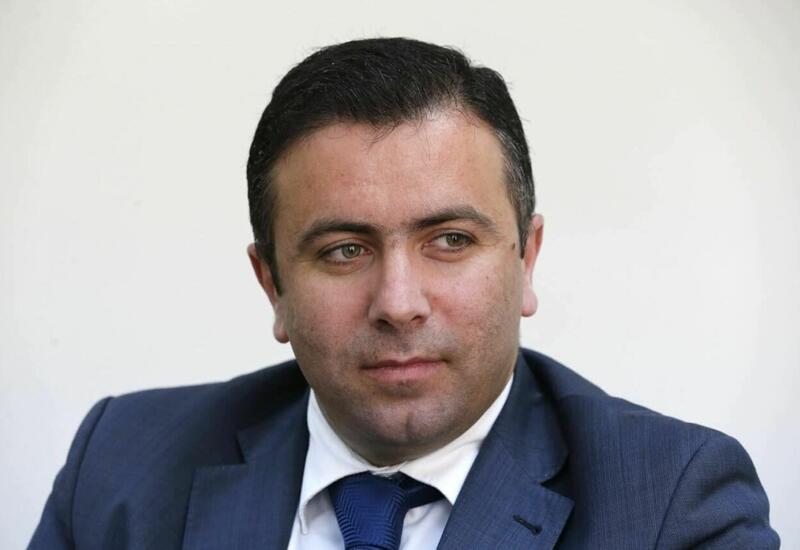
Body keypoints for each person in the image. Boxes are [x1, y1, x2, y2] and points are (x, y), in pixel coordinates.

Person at [30, 37, 779, 549]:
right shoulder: (121, 468)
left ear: (526, 260)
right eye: (344, 250)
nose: (398, 303)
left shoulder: (671, 503)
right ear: (273, 286)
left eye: (449, 240)